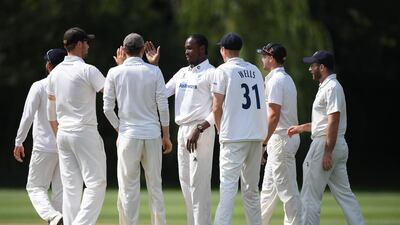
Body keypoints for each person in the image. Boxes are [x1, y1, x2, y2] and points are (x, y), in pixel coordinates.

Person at [287, 50, 364, 225]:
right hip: (335, 144)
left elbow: (333, 121)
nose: (309, 69)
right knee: (345, 196)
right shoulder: (328, 87)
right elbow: (324, 123)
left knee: (309, 196)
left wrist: (327, 151)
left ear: (321, 67)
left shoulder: (332, 87)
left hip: (326, 145)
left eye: (312, 65)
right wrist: (302, 128)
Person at [103, 33, 172, 225]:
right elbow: (163, 106)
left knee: (128, 189)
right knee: (155, 186)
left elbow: (107, 108)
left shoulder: (114, 73)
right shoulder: (154, 71)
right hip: (151, 135)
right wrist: (166, 136)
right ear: (143, 50)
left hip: (128, 136)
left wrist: (120, 129)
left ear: (123, 51)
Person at [47, 27, 107, 225]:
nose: (88, 46)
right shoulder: (87, 70)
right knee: (96, 184)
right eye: (86, 42)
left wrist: (58, 135)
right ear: (79, 44)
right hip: (84, 131)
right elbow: (111, 93)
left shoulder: (55, 73)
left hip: (63, 133)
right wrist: (121, 68)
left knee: (71, 188)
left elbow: (50, 110)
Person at [212, 32, 267, 225]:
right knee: (251, 191)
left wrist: (220, 131)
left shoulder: (223, 70)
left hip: (234, 137)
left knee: (227, 189)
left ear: (223, 50)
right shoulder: (255, 70)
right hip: (256, 136)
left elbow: (216, 106)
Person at [162, 34, 216, 225]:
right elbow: (161, 92)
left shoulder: (212, 73)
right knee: (185, 182)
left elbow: (219, 109)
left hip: (201, 130)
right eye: (185, 48)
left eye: (190, 48)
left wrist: (200, 128)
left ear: (202, 49)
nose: (186, 52)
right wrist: (152, 67)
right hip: (183, 130)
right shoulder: (182, 72)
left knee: (198, 184)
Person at [13, 48, 66, 225]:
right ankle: (59, 218)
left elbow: (27, 115)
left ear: (49, 66)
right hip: (67, 145)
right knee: (61, 191)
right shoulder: (72, 87)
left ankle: (54, 217)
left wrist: (19, 141)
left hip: (44, 146)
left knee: (35, 187)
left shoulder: (39, 86)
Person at [256, 43, 302, 225]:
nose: (262, 59)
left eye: (264, 55)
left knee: (288, 191)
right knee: (268, 191)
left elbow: (274, 115)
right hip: (281, 138)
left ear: (271, 58)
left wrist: (263, 143)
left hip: (281, 138)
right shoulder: (285, 78)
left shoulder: (276, 80)